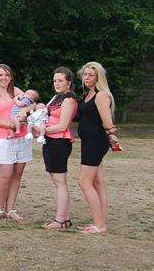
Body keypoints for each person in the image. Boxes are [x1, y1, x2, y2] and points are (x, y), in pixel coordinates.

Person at [0, 64, 29, 223]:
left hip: (21, 137)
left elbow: (31, 104)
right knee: (6, 174)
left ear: (11, 77)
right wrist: (9, 125)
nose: (4, 78)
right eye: (1, 75)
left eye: (7, 75)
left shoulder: (16, 91)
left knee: (17, 174)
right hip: (4, 138)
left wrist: (24, 113)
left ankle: (10, 209)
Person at [77, 62, 118, 235]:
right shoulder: (88, 94)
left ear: (98, 77)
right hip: (88, 142)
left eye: (90, 75)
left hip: (95, 143)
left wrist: (112, 134)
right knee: (97, 181)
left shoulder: (101, 96)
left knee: (84, 182)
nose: (86, 78)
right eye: (85, 74)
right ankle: (101, 221)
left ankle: (99, 225)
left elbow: (107, 122)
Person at [40, 68, 78, 231]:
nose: (57, 83)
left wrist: (42, 130)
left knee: (60, 181)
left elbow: (63, 125)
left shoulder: (69, 99)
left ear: (69, 82)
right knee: (56, 180)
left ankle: (60, 220)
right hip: (49, 141)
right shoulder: (57, 97)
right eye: (55, 80)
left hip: (59, 142)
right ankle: (65, 218)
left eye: (60, 80)